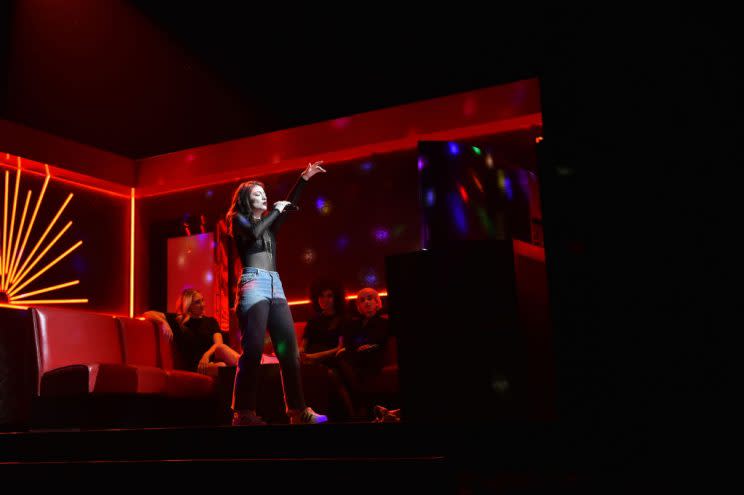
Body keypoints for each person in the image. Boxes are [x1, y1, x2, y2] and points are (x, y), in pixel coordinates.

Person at [226, 160, 328, 425]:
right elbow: (256, 231)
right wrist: (275, 210)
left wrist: (304, 179)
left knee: (289, 351)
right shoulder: (238, 220)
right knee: (253, 350)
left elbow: (285, 208)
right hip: (253, 284)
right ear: (246, 201)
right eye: (257, 194)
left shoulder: (270, 225)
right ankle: (243, 413)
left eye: (264, 193)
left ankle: (297, 411)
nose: (264, 197)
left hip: (275, 285)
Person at [143, 288, 240, 376]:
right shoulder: (178, 321)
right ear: (188, 306)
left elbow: (219, 344)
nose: (202, 305)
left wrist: (206, 356)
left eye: (202, 300)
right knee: (223, 367)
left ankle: (247, 365)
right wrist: (163, 322)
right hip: (194, 366)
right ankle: (248, 370)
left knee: (222, 352)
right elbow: (147, 313)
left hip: (209, 362)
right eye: (197, 302)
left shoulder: (211, 321)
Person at [336, 287, 391, 418]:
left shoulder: (383, 322)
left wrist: (361, 346)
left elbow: (377, 341)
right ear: (358, 306)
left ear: (377, 302)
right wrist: (356, 347)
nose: (366, 302)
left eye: (369, 298)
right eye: (362, 300)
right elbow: (349, 343)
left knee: (342, 361)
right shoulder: (355, 324)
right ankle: (357, 407)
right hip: (356, 358)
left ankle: (357, 407)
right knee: (341, 360)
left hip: (373, 357)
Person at [299, 279, 345, 367]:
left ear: (336, 298)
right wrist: (301, 352)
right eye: (321, 296)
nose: (325, 299)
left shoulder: (342, 319)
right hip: (309, 359)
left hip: (331, 359)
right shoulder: (313, 320)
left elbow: (340, 348)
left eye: (329, 296)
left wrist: (314, 357)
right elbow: (304, 344)